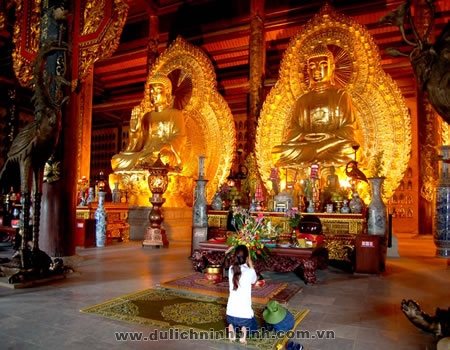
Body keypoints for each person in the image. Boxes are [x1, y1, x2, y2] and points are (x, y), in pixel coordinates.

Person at [272, 44, 357, 167]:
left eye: (322, 65)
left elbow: (350, 129)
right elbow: (293, 130)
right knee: (279, 151)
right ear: (307, 70)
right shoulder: (302, 100)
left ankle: (315, 166)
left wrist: (330, 135)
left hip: (332, 145)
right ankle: (320, 164)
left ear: (332, 67)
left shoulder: (340, 96)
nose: (316, 70)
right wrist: (304, 135)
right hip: (306, 146)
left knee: (348, 148)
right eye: (312, 66)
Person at [111, 73, 187, 171]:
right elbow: (136, 146)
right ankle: (143, 165)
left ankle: (144, 166)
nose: (153, 95)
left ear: (167, 92)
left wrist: (164, 147)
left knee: (162, 158)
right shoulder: (147, 116)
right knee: (116, 160)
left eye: (158, 91)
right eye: (151, 91)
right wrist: (134, 131)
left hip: (162, 153)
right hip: (144, 154)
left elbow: (180, 137)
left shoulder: (175, 114)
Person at [226, 244, 258, 344]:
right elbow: (254, 281)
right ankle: (244, 333)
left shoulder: (231, 269)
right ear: (247, 258)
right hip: (245, 316)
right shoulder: (250, 271)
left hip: (230, 314)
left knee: (234, 320)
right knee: (254, 327)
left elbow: (237, 269)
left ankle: (231, 327)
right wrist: (250, 264)